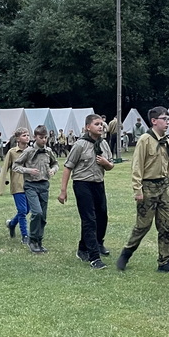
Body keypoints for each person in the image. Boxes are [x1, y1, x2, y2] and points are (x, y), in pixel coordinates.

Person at [116, 106, 169, 273]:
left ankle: (164, 261)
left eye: (168, 119)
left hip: (163, 187)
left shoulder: (166, 141)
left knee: (168, 224)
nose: (167, 122)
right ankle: (126, 253)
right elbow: (137, 165)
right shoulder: (145, 139)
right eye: (164, 119)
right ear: (154, 121)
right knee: (143, 225)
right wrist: (138, 190)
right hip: (148, 187)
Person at [58, 114, 115, 268]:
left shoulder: (104, 144)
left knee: (102, 217)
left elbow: (110, 166)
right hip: (82, 184)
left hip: (98, 183)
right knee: (89, 219)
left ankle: (91, 245)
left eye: (101, 124)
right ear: (87, 127)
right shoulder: (80, 145)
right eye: (96, 124)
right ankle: (94, 257)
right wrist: (63, 190)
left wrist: (105, 163)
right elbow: (68, 167)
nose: (100, 126)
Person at [13, 125, 59, 253]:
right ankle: (32, 240)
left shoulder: (48, 151)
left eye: (45, 137)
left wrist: (53, 170)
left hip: (44, 185)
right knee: (37, 212)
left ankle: (39, 241)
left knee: (43, 216)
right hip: (31, 185)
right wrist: (28, 170)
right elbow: (15, 166)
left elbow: (55, 163)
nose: (43, 140)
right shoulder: (28, 151)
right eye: (41, 137)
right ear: (35, 137)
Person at [0, 127, 32, 243]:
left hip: (30, 185)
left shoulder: (32, 151)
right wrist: (3, 183)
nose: (27, 137)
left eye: (28, 135)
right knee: (22, 211)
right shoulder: (12, 152)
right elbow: (5, 168)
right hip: (17, 185)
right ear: (18, 139)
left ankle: (12, 224)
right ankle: (25, 236)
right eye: (24, 135)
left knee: (27, 210)